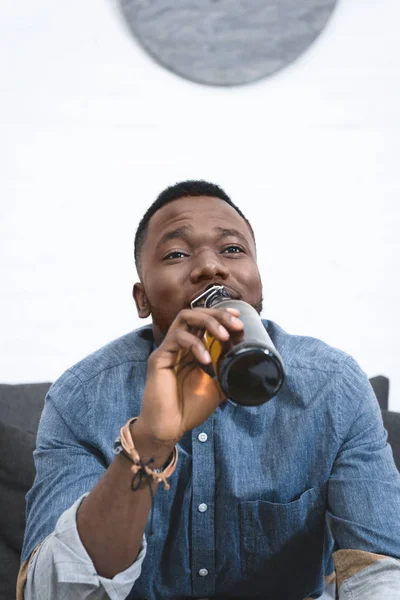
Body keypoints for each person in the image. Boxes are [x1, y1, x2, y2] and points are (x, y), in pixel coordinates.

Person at [19, 180, 400, 600]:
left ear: (258, 285)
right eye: (176, 254)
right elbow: (49, 592)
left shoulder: (334, 386)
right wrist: (149, 441)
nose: (210, 267)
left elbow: (378, 573)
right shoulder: (80, 397)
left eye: (232, 250)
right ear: (141, 299)